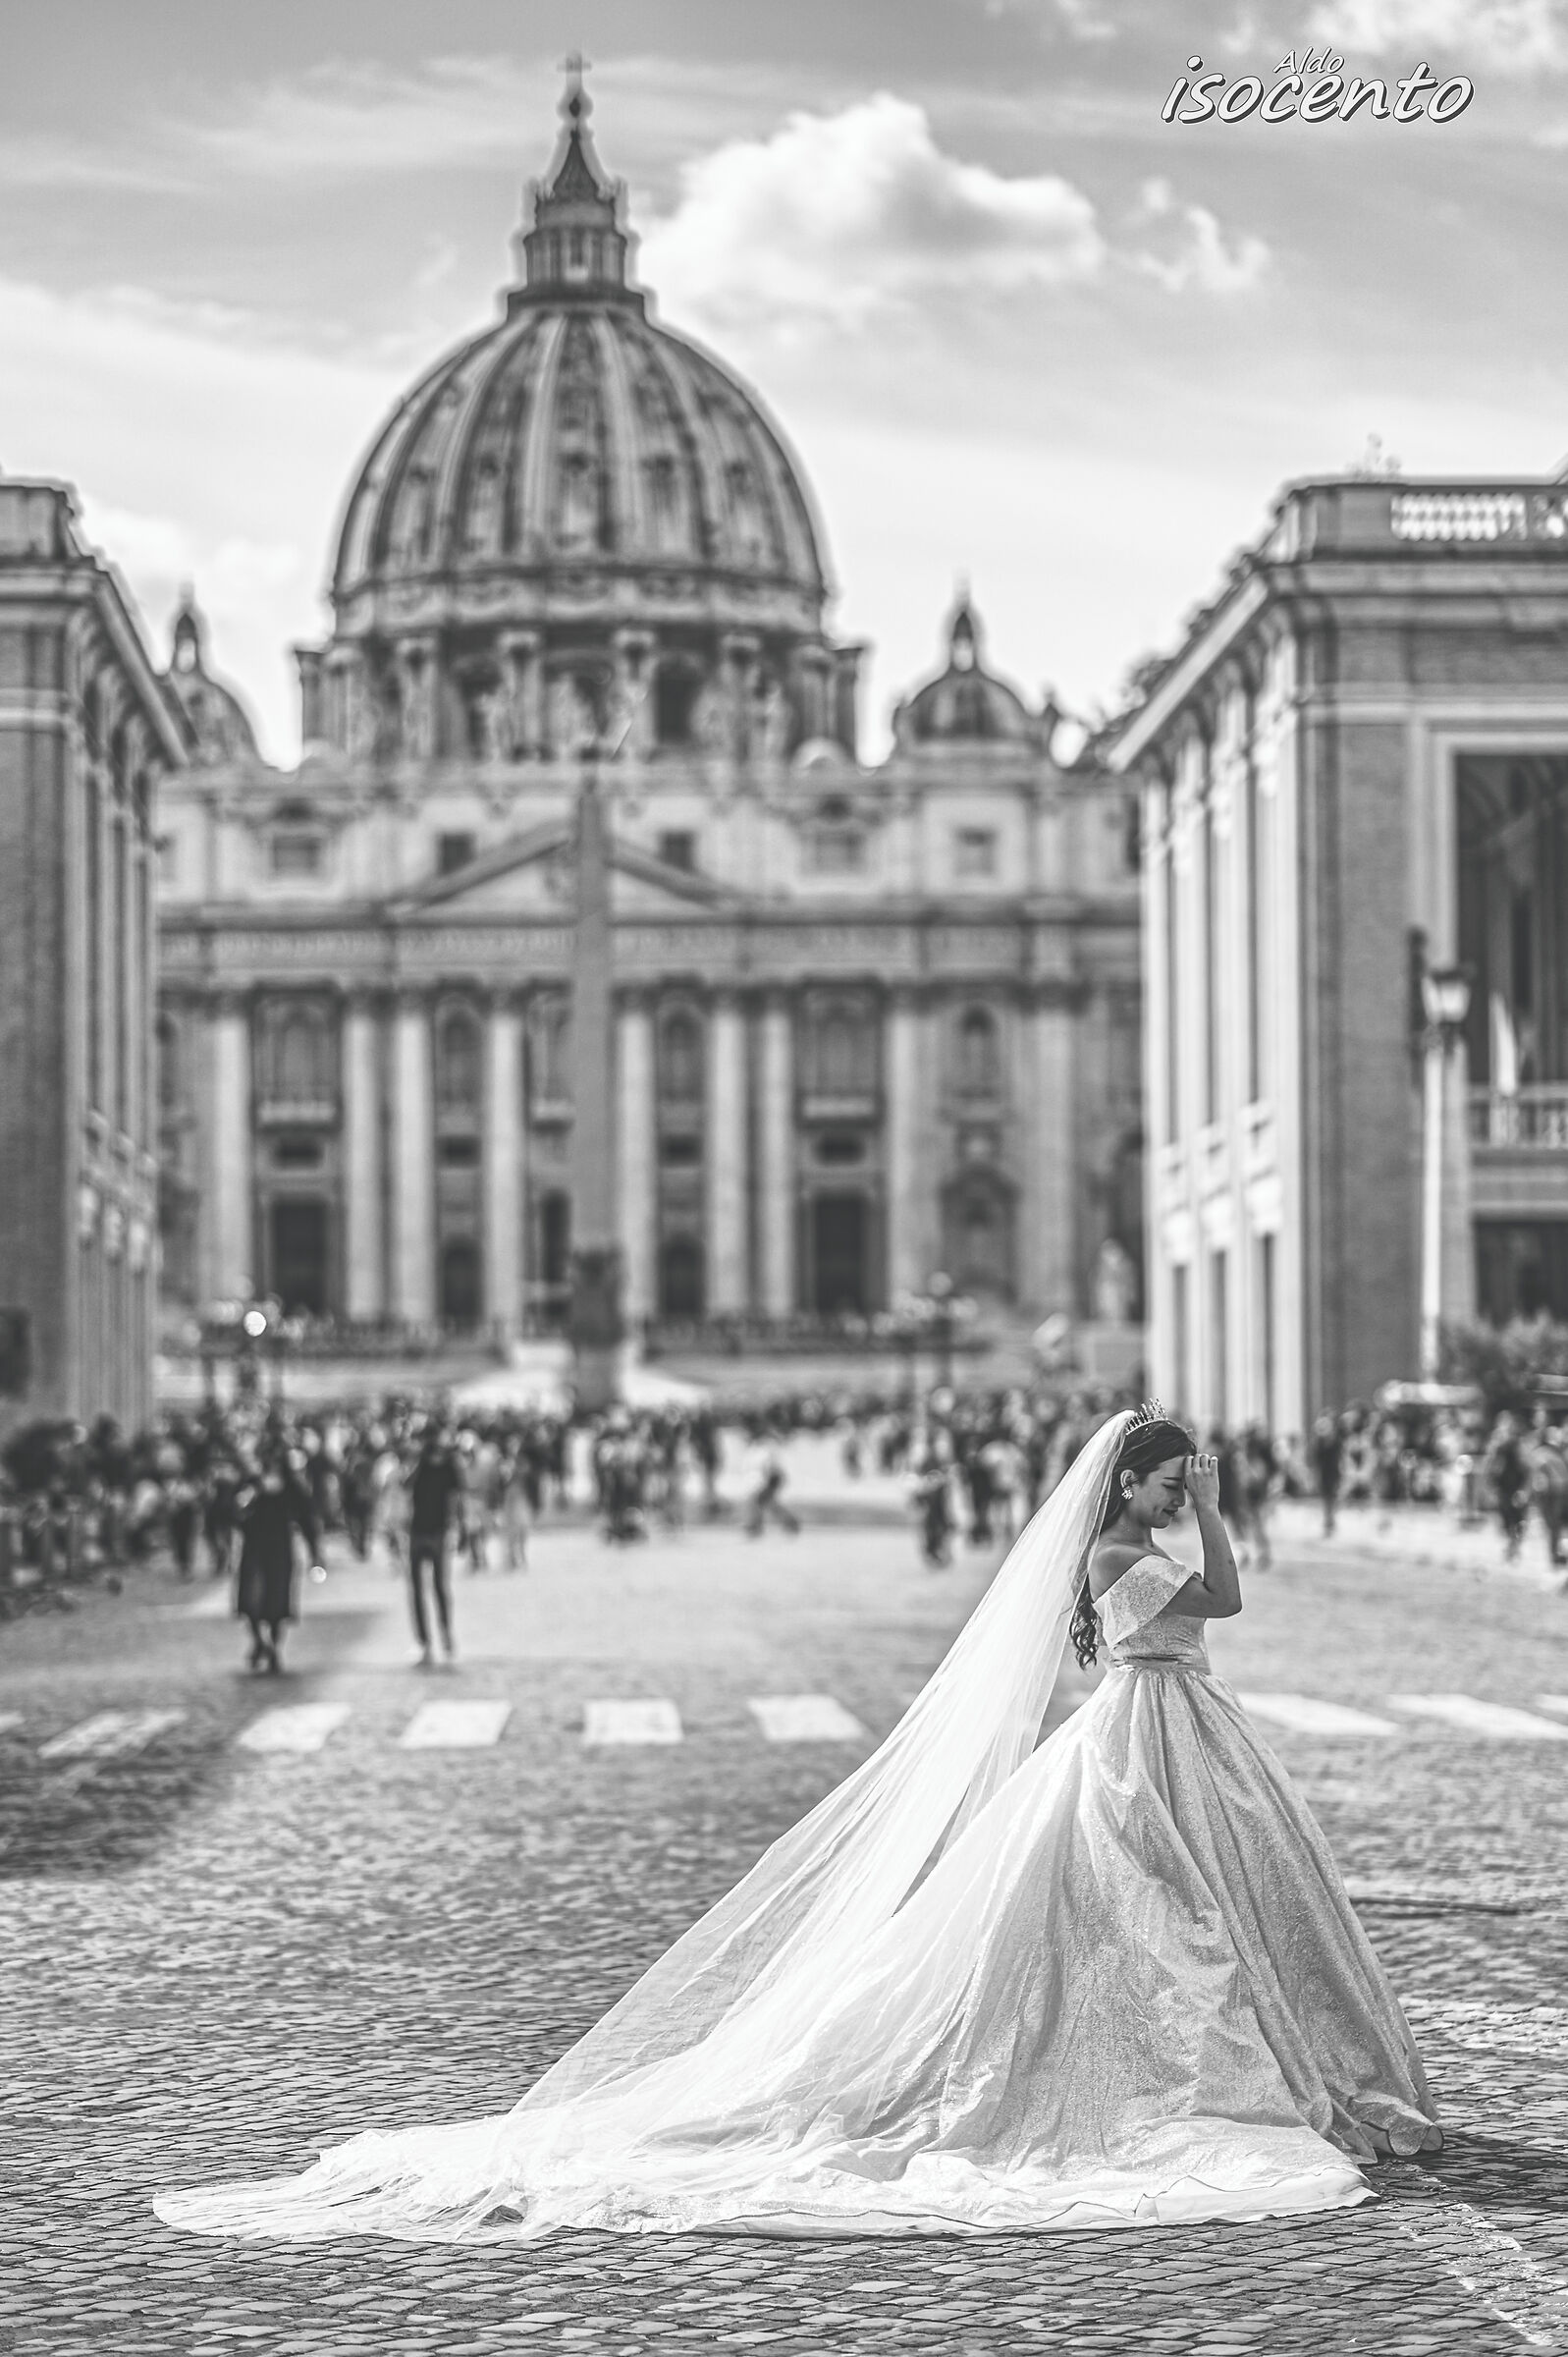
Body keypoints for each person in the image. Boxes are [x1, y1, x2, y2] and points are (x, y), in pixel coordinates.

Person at [154, 1401, 1438, 2246]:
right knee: (1146, 1916)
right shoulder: (1116, 1554)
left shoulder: (1130, 1537)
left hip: (1185, 1733)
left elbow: (1218, 1601)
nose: (1178, 1487)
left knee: (1198, 1913)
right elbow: (1213, 1592)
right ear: (1130, 1483)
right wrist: (1205, 1510)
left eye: (1181, 1476)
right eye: (1167, 1475)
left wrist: (1202, 1497)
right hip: (1143, 1737)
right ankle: (1172, 2068)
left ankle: (1243, 2058)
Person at [234, 1449, 320, 1675]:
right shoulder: (252, 1485)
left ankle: (273, 1646)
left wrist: (315, 1552)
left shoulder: (292, 1487)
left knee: (277, 1602)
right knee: (251, 1600)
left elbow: (306, 1516)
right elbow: (234, 1513)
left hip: (279, 1550)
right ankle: (259, 1642)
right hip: (254, 1548)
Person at [406, 1427, 460, 1667]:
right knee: (417, 1590)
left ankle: (445, 1633)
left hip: (438, 1532)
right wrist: (418, 1463)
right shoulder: (421, 1468)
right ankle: (424, 1641)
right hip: (418, 1531)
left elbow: (455, 1497)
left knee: (439, 1587)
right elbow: (406, 1485)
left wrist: (456, 1528)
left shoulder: (449, 1467)